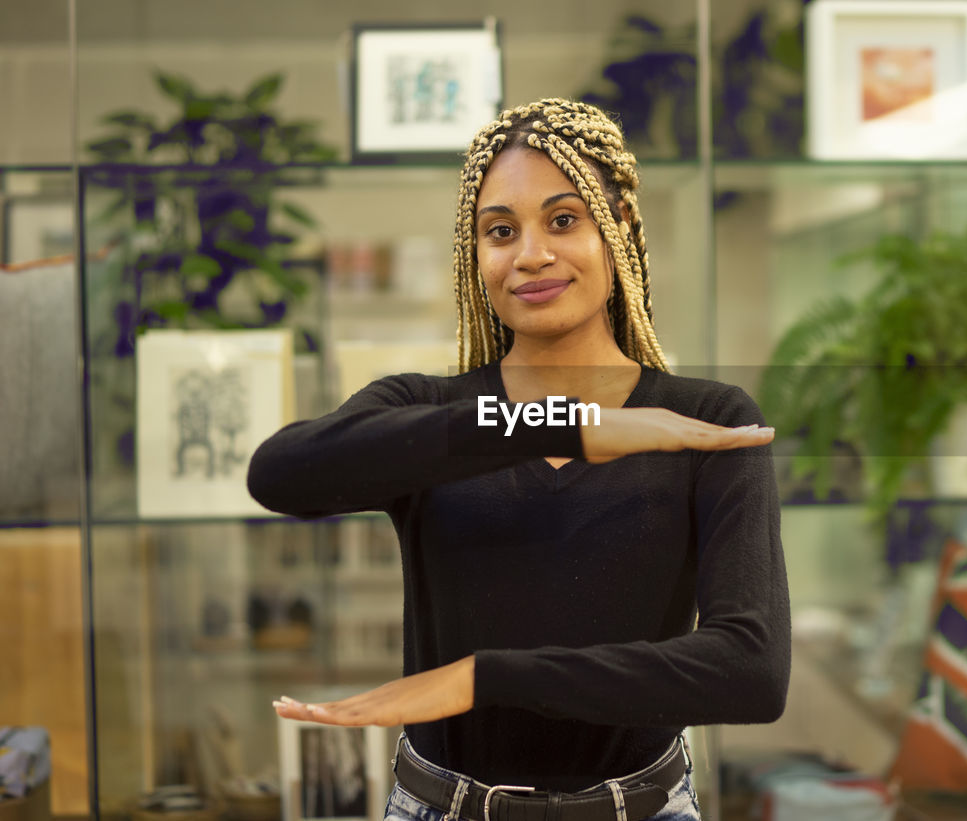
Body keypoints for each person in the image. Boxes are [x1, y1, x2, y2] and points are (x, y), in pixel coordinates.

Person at [248, 98, 790, 821]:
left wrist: (486, 677)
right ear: (476, 255)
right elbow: (278, 474)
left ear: (620, 226)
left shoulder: (708, 421)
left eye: (563, 220)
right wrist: (554, 423)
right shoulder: (428, 411)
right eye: (500, 231)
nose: (530, 254)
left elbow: (751, 669)